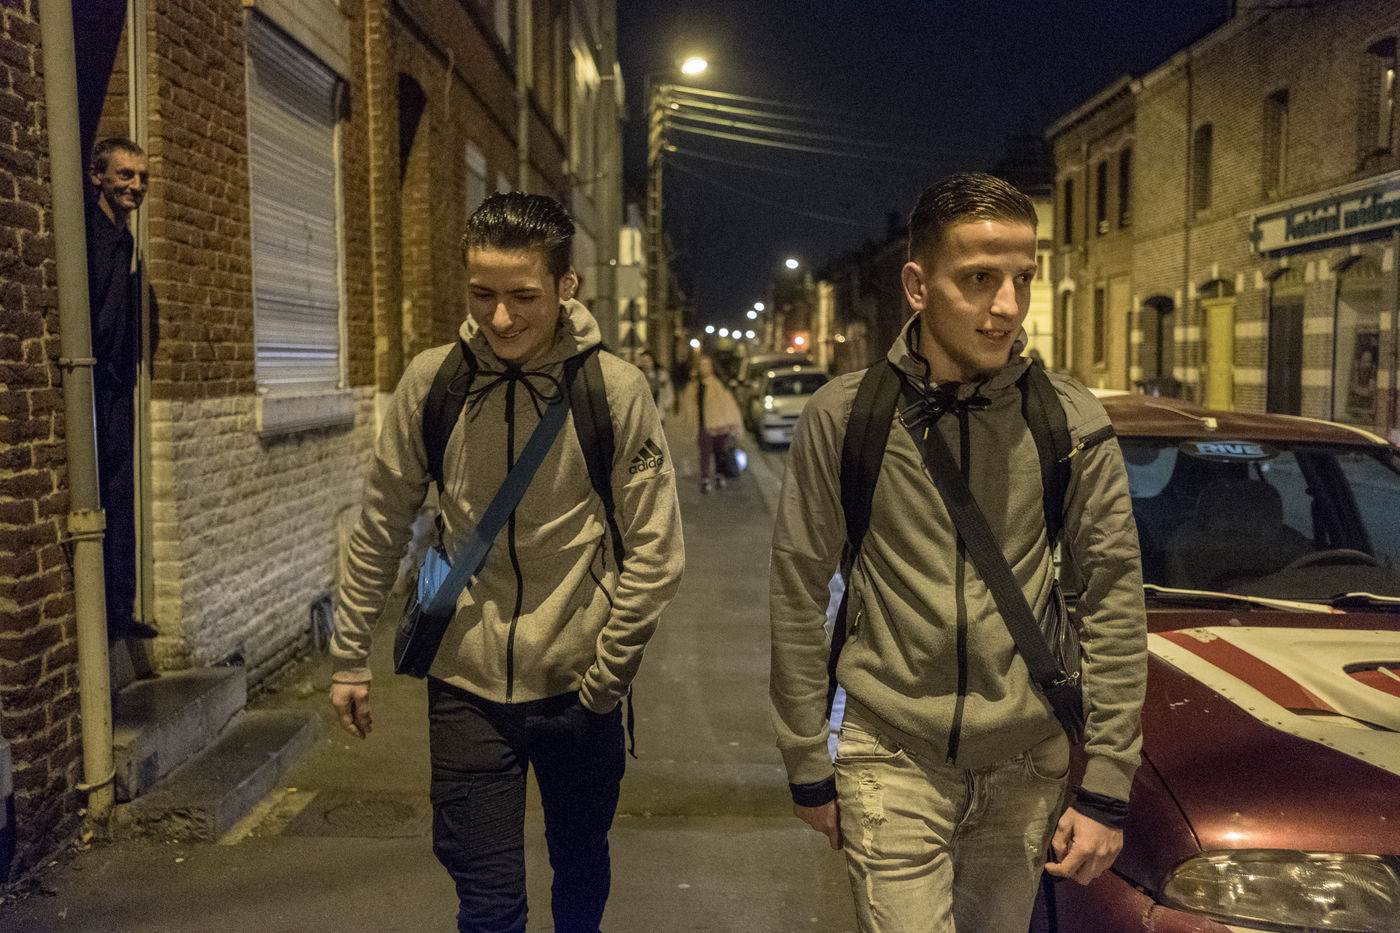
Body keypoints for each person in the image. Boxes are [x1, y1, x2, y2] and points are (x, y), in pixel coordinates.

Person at [769, 172, 1147, 932]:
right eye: (978, 279)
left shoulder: (1070, 420)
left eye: (1021, 279)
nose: (1007, 305)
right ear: (917, 285)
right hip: (890, 755)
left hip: (1027, 765)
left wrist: (1107, 782)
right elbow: (798, 587)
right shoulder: (847, 416)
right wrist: (806, 754)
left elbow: (1111, 594)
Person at [329, 193, 685, 933]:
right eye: (482, 295)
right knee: (487, 903)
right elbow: (382, 522)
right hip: (466, 680)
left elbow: (656, 549)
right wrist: (349, 654)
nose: (500, 318)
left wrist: (606, 678)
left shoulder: (613, 391)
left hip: (580, 683)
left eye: (523, 296)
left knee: (580, 866)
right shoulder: (433, 383)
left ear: (565, 286)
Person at [85, 136, 158, 642]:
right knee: (94, 494)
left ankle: (119, 612)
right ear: (98, 177)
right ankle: (97, 618)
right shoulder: (87, 233)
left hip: (116, 384)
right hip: (90, 382)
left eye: (142, 177)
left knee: (120, 492)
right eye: (125, 174)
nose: (135, 185)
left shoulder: (125, 239)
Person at [677, 353, 744, 493]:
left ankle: (719, 475)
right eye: (701, 365)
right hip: (703, 425)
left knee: (719, 452)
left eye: (707, 365)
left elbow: (728, 404)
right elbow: (689, 405)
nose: (704, 368)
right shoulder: (694, 386)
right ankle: (705, 478)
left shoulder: (718, 384)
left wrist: (731, 424)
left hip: (719, 426)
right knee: (705, 452)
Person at [636, 348, 674, 416]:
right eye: (643, 361)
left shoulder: (662, 375)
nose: (646, 364)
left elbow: (668, 390)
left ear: (653, 360)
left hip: (659, 410)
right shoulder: (639, 377)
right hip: (644, 413)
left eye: (648, 361)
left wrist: (666, 404)